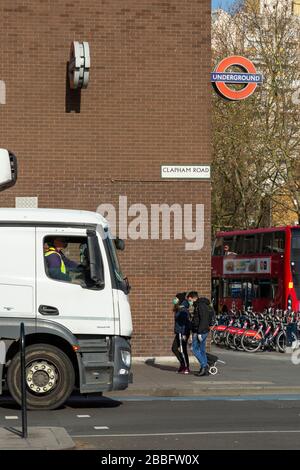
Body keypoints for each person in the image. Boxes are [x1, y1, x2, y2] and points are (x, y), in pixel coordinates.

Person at [187, 291, 215, 377]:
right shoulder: (202, 305)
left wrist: (199, 332)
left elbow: (203, 319)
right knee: (202, 350)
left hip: (200, 331)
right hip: (203, 331)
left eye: (190, 299)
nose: (189, 301)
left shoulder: (200, 306)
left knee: (194, 349)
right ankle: (204, 370)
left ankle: (204, 366)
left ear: (194, 298)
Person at [171, 292, 191, 374]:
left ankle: (186, 367)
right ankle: (183, 364)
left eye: (176, 298)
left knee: (183, 350)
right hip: (179, 332)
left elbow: (184, 323)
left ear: (180, 300)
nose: (175, 300)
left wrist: (183, 334)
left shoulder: (183, 309)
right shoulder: (179, 308)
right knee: (174, 348)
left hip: (182, 333)